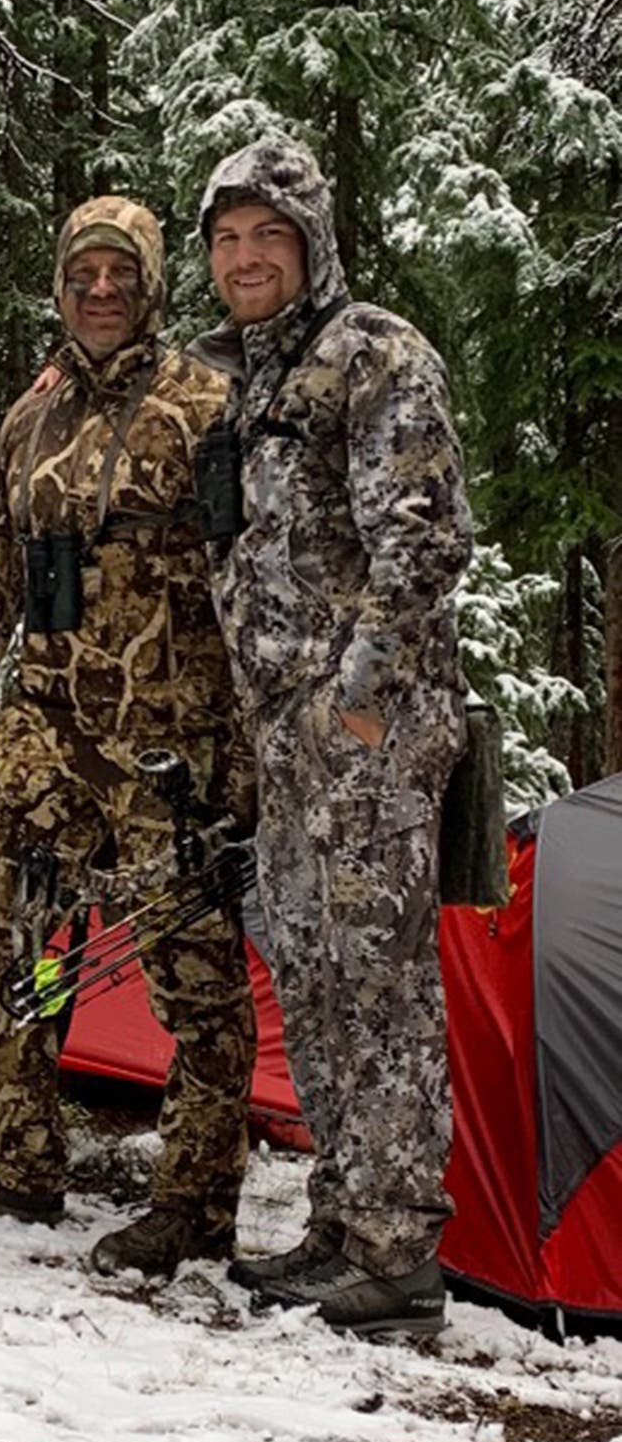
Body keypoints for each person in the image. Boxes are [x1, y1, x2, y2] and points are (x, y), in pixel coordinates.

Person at [0, 197, 257, 1275]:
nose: (100, 292)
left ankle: (195, 1202)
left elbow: (261, 584)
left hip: (170, 733)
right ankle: (22, 1162)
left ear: (151, 285)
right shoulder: (32, 415)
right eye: (81, 275)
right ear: (59, 288)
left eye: (121, 274)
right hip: (44, 724)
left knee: (190, 975)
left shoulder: (211, 405)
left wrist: (248, 744)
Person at [197, 138, 473, 1334]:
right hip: (286, 733)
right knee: (309, 974)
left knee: (380, 979)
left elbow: (421, 542)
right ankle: (342, 1220)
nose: (247, 258)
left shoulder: (372, 352)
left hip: (369, 731)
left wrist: (355, 698)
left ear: (312, 243)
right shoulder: (246, 375)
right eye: (227, 239)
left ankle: (403, 1249)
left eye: (270, 236)